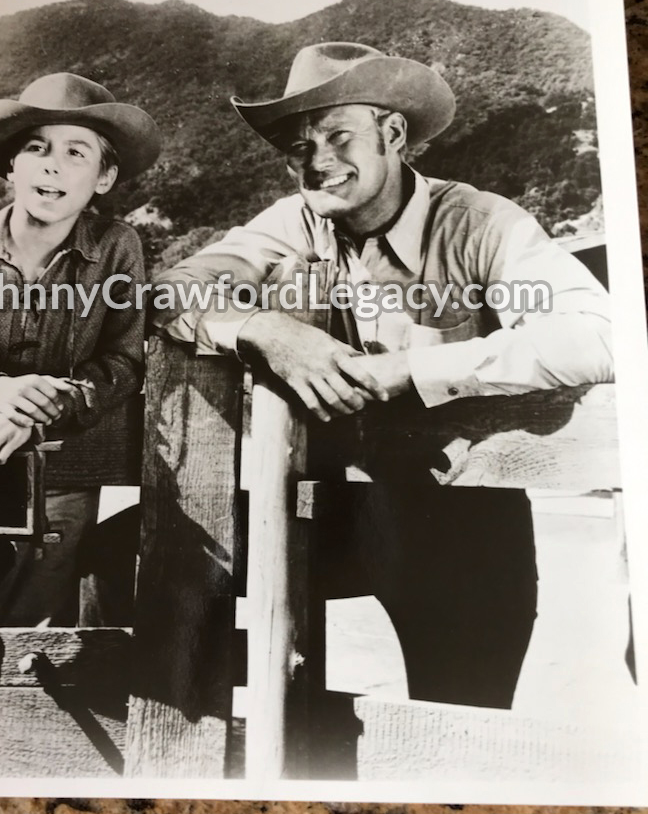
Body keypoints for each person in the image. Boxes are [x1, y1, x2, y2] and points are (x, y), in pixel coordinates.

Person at [152, 42, 614, 708]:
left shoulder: (480, 223)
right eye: (298, 147)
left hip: (465, 521)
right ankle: (209, 754)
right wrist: (265, 331)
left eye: (338, 136)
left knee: (457, 728)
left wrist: (416, 370)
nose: (317, 162)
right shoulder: (295, 222)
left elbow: (599, 334)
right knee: (129, 552)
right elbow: (170, 293)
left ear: (394, 134)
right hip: (341, 509)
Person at [0, 72, 160, 628]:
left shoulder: (117, 249)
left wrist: (41, 411)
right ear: (11, 167)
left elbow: (123, 361)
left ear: (104, 176)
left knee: (36, 639)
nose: (52, 164)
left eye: (77, 152)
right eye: (36, 147)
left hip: (64, 473)